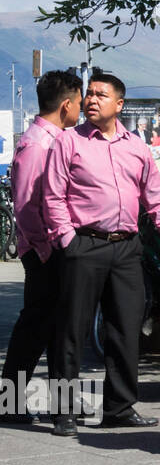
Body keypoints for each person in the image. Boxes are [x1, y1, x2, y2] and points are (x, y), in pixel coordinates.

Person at [43, 70, 160, 437]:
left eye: (100, 95)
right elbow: (53, 196)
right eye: (89, 94)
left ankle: (119, 407)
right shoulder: (68, 142)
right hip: (84, 245)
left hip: (126, 248)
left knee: (125, 330)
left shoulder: (137, 147)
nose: (91, 100)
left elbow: (155, 199)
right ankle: (64, 412)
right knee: (71, 332)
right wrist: (67, 241)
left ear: (119, 105)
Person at [0, 70, 83, 425]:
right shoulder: (39, 144)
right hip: (44, 251)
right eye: (79, 102)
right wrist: (47, 251)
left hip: (48, 249)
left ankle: (60, 402)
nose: (82, 108)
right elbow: (27, 205)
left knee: (53, 329)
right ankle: (9, 403)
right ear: (66, 105)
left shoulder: (52, 138)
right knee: (34, 330)